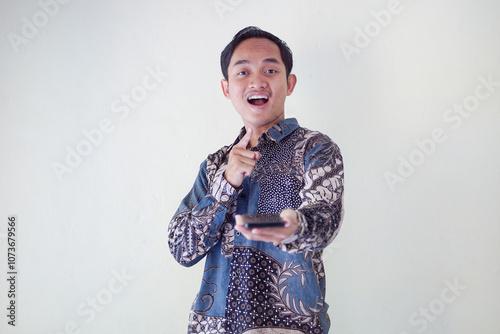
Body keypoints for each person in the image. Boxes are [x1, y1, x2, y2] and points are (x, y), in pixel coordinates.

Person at [168, 26, 344, 334]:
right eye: (243, 72)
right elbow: (182, 249)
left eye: (270, 69)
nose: (257, 81)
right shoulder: (214, 165)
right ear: (226, 88)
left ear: (289, 83)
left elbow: (324, 221)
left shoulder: (315, 149)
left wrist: (294, 226)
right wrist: (227, 184)